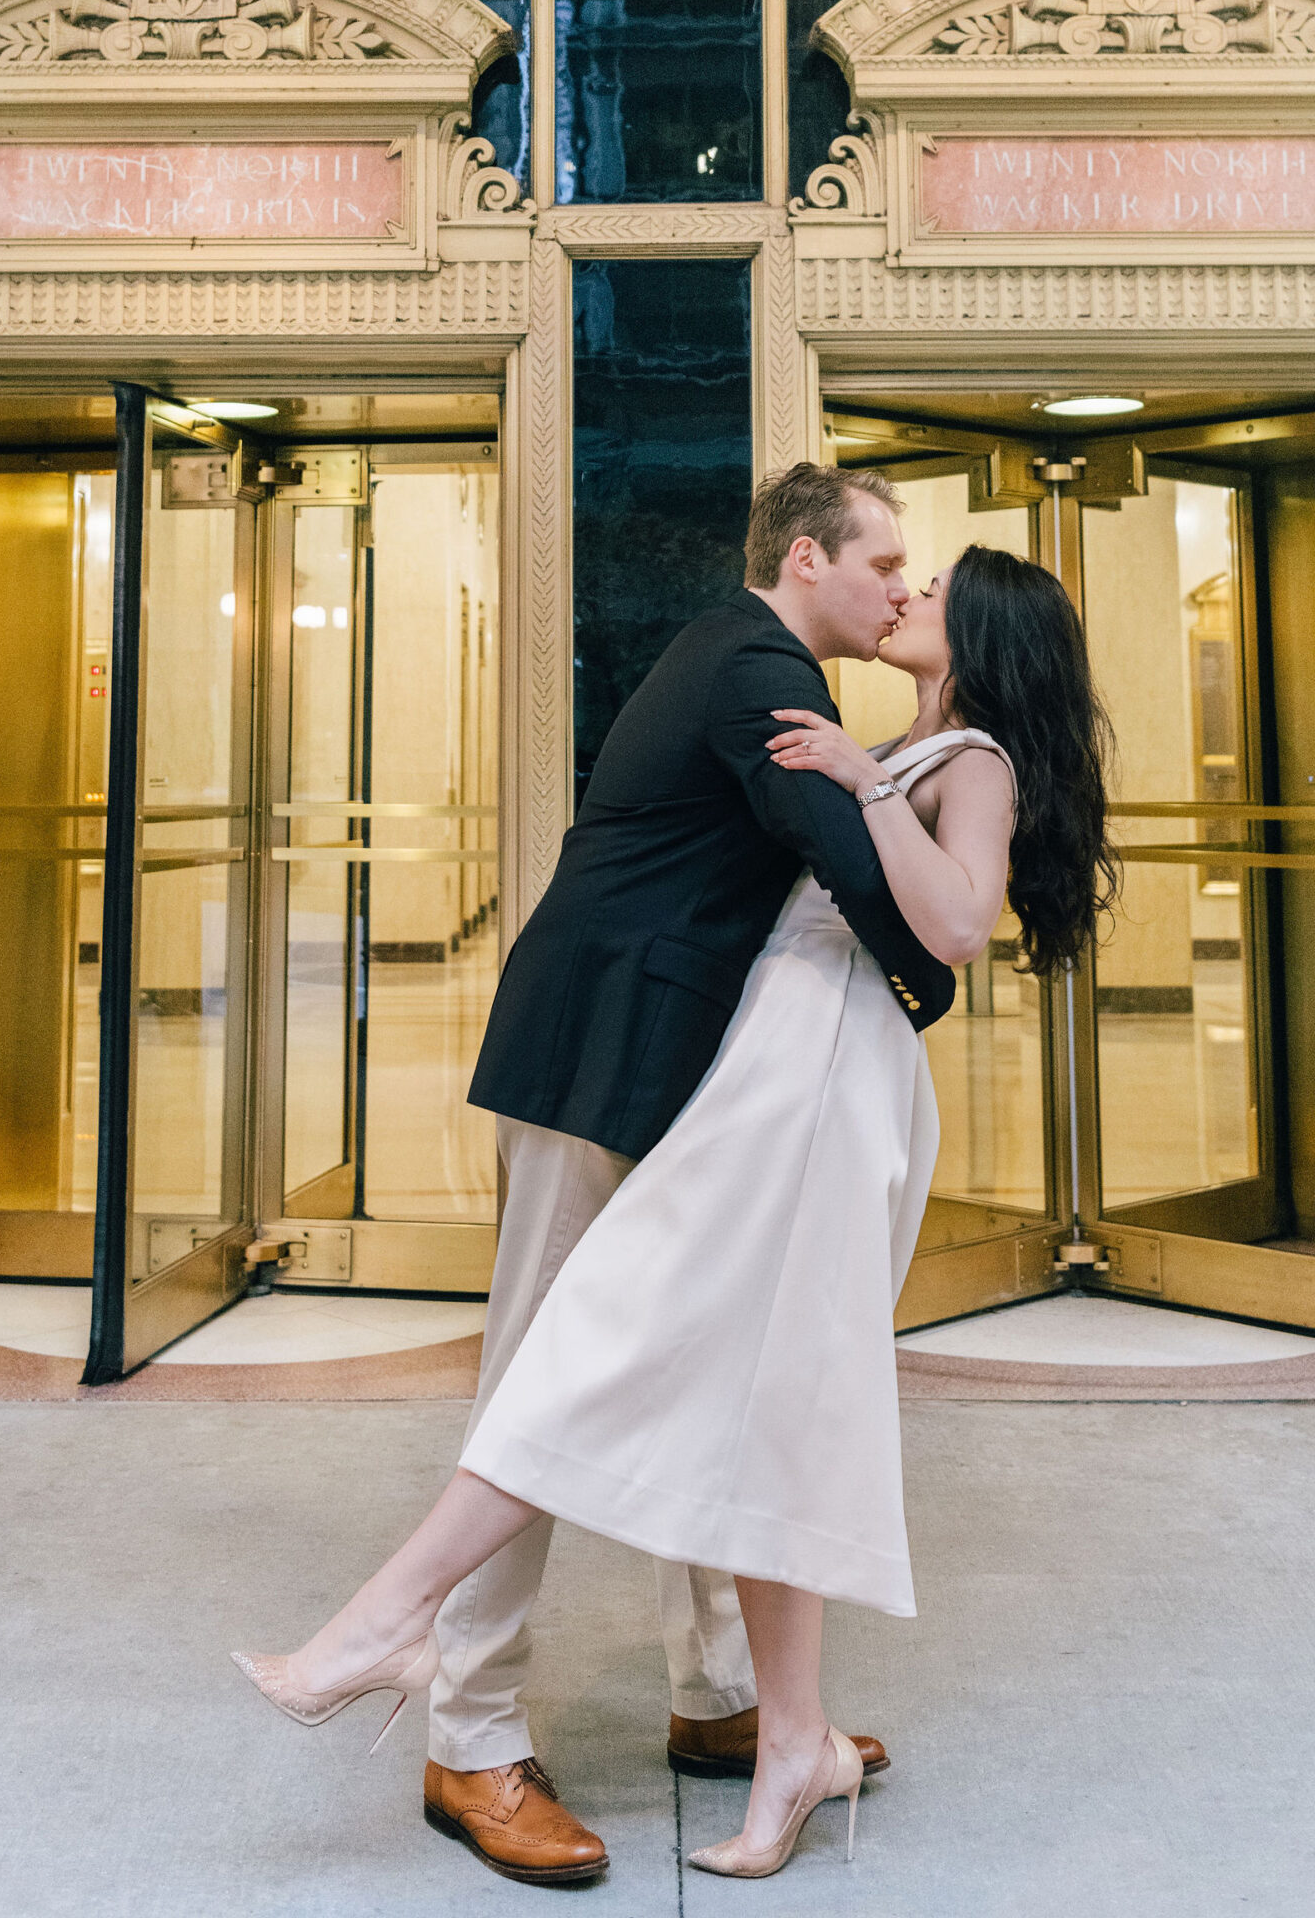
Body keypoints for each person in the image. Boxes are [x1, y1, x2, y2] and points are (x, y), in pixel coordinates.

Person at [235, 488, 1117, 1883]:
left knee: (728, 1375)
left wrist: (878, 805)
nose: (900, 590)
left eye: (922, 577)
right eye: (888, 564)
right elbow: (874, 895)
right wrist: (875, 805)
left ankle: (731, 1704)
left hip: (729, 1078)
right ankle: (468, 1728)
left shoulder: (859, 716)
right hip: (615, 1068)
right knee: (556, 1370)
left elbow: (926, 914)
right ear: (808, 560)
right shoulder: (762, 672)